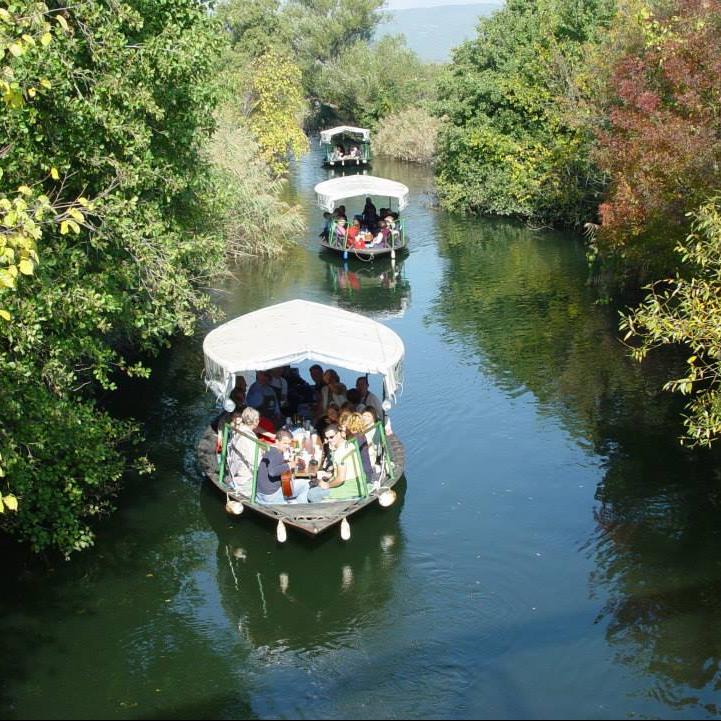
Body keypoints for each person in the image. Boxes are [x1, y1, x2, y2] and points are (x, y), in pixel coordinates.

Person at [308, 424, 366, 502]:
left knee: (312, 494)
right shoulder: (349, 444)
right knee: (318, 486)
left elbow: (340, 479)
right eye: (327, 438)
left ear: (339, 434)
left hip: (350, 486)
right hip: (359, 482)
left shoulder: (340, 452)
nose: (329, 440)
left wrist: (327, 485)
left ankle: (326, 511)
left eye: (331, 437)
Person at [255, 429, 310, 504]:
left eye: (289, 444)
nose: (287, 446)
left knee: (289, 486)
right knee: (305, 484)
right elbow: (272, 472)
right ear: (277, 441)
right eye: (285, 443)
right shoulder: (276, 453)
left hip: (260, 494)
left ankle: (293, 503)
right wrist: (289, 465)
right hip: (271, 496)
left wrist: (288, 465)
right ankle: (300, 508)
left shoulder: (270, 450)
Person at [226, 407, 261, 496]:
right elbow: (256, 463)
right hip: (246, 480)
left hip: (236, 473)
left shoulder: (239, 430)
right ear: (256, 421)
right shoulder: (248, 438)